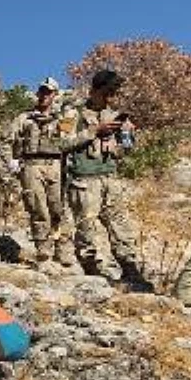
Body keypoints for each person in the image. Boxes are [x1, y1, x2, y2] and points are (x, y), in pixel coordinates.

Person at [57, 69, 153, 291]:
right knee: (87, 231)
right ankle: (93, 276)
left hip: (110, 178)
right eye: (108, 91)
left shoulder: (114, 114)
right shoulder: (73, 114)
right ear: (95, 91)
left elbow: (124, 151)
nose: (112, 97)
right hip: (84, 180)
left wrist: (128, 138)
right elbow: (60, 143)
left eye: (114, 92)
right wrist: (94, 131)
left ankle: (132, 273)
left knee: (121, 228)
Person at [9, 77, 74, 270]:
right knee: (37, 207)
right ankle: (42, 249)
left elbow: (69, 140)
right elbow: (9, 139)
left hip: (55, 165)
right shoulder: (24, 118)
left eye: (49, 92)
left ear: (55, 95)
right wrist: (11, 160)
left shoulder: (63, 117)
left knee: (58, 208)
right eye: (42, 91)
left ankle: (63, 251)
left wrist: (60, 119)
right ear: (38, 93)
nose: (45, 95)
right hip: (31, 164)